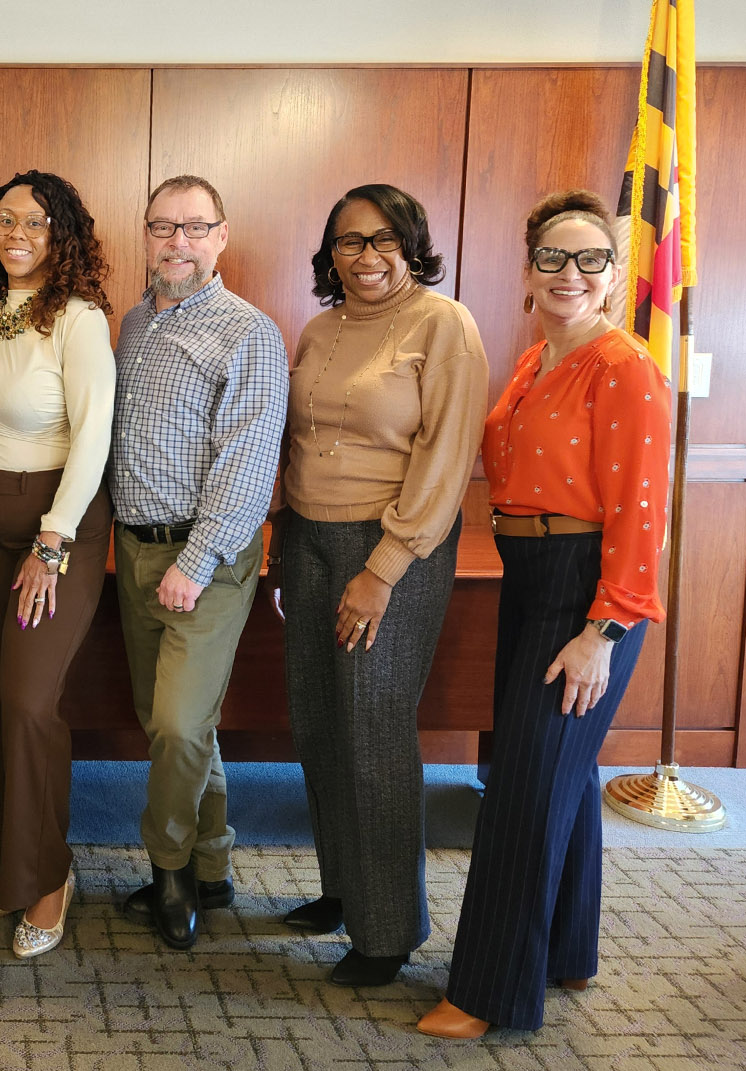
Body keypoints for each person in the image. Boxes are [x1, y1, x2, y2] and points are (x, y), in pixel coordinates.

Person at [419, 190, 669, 1037]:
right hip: (530, 576)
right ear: (527, 272)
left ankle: (487, 993)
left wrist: (604, 631)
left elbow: (641, 515)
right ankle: (566, 949)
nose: (570, 273)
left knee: (523, 786)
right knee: (558, 774)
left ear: (613, 276)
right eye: (553, 258)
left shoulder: (626, 367)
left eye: (590, 259)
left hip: (586, 592)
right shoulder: (534, 362)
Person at [275, 183, 488, 987]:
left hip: (392, 546)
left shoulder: (444, 324)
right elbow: (298, 438)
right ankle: (345, 892)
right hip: (310, 538)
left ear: (412, 244)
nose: (366, 256)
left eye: (383, 239)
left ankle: (388, 930)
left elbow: (446, 458)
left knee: (372, 735)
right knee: (319, 723)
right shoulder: (320, 327)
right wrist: (283, 540)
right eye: (349, 241)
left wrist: (382, 569)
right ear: (330, 253)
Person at [111, 174, 288, 950]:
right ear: (146, 236)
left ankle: (169, 869)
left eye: (194, 227)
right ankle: (213, 865)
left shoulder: (248, 332)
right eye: (162, 227)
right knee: (175, 719)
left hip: (206, 555)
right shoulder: (133, 324)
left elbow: (249, 463)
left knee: (178, 725)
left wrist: (197, 556)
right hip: (132, 548)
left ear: (222, 235)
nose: (176, 242)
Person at [0, 170, 115, 958]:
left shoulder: (80, 321)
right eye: (6, 218)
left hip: (56, 530)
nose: (18, 233)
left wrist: (52, 542)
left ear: (64, 235)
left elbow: (93, 438)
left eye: (38, 222)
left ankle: (50, 875)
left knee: (26, 701)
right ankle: (14, 861)